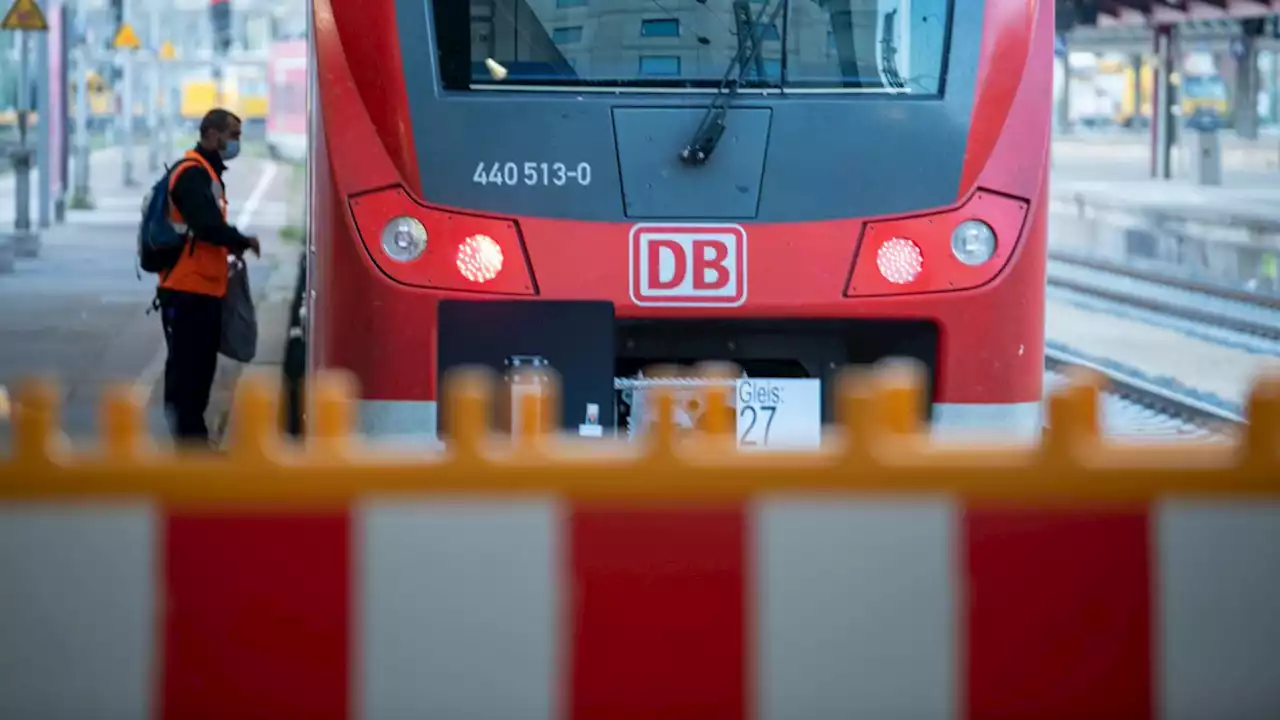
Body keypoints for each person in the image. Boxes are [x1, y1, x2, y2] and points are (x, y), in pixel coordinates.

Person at [158, 108, 261, 446]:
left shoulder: (206, 173)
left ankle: (192, 444)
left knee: (199, 372)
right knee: (188, 375)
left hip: (203, 289)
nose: (237, 142)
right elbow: (206, 225)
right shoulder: (191, 174)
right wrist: (241, 240)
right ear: (213, 135)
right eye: (233, 135)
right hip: (186, 290)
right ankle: (190, 449)